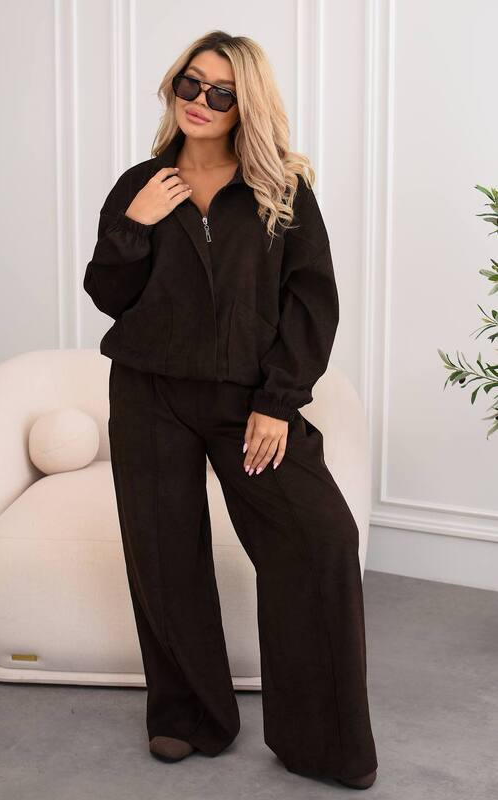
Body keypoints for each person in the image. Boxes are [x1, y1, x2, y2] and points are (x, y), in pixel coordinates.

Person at [83, 30, 378, 790]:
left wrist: (277, 402)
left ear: (246, 104)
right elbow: (107, 294)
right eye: (191, 83)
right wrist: (136, 223)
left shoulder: (281, 189)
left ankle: (321, 743)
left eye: (222, 91)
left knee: (319, 539)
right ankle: (188, 716)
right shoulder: (141, 184)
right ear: (172, 86)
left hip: (247, 404)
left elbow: (310, 302)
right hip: (148, 394)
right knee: (164, 556)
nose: (202, 101)